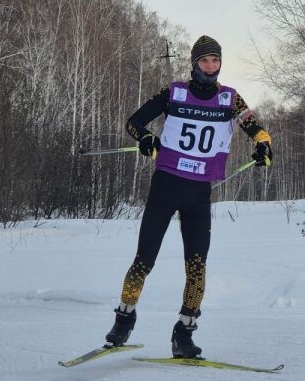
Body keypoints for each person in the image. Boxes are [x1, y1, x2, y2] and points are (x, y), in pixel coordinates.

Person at [104, 35, 273, 358]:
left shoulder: (230, 99)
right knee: (144, 260)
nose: (210, 66)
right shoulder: (174, 93)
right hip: (166, 186)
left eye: (215, 60)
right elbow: (134, 122)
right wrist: (146, 138)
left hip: (198, 193)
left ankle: (184, 333)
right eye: (204, 60)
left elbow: (257, 129)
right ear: (194, 63)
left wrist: (263, 145)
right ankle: (124, 318)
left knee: (197, 267)